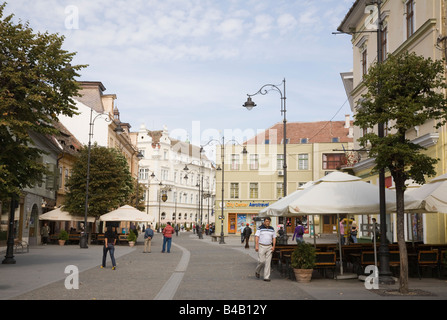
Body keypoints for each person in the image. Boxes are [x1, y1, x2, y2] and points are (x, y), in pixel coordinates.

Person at [255, 217, 276, 282]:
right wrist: (256, 245)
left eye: (268, 221)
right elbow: (257, 237)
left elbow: (274, 237)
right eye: (266, 221)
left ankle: (266, 277)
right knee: (261, 261)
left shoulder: (272, 229)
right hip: (261, 246)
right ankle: (257, 271)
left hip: (269, 246)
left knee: (268, 262)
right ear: (264, 222)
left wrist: (273, 246)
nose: (267, 222)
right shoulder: (260, 228)